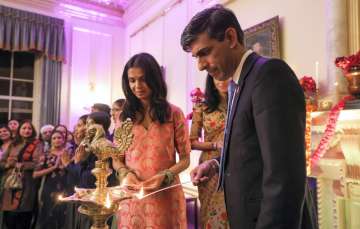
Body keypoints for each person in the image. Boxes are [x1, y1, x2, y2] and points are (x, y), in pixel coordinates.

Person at [181, 5, 307, 229]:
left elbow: (284, 177)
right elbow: (251, 148)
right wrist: (215, 164)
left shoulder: (269, 75)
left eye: (204, 53)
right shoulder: (239, 83)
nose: (200, 66)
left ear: (230, 37)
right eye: (196, 57)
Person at [112, 52, 191, 228]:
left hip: (165, 194)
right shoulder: (124, 117)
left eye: (143, 79)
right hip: (133, 196)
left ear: (155, 79)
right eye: (132, 80)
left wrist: (166, 175)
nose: (137, 86)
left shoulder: (174, 113)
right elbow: (117, 159)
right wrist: (126, 173)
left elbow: (185, 159)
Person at [190, 75, 229, 228]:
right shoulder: (202, 107)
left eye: (225, 77)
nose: (221, 80)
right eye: (216, 78)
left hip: (233, 161)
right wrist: (214, 145)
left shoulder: (239, 104)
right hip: (209, 166)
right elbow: (191, 142)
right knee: (211, 213)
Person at [0, 120, 43, 229]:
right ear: (19, 130)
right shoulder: (13, 144)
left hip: (27, 183)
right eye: (24, 128)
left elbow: (38, 163)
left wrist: (21, 165)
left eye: (29, 128)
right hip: (10, 183)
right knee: (9, 216)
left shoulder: (37, 144)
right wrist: (8, 164)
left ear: (32, 131)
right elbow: (2, 162)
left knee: (24, 215)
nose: (26, 130)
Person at [34, 130, 68, 229]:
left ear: (64, 140)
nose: (57, 140)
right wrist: (53, 168)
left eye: (59, 138)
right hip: (49, 189)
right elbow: (35, 174)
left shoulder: (69, 154)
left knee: (63, 218)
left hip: (66, 188)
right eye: (54, 138)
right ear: (51, 141)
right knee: (48, 217)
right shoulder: (45, 155)